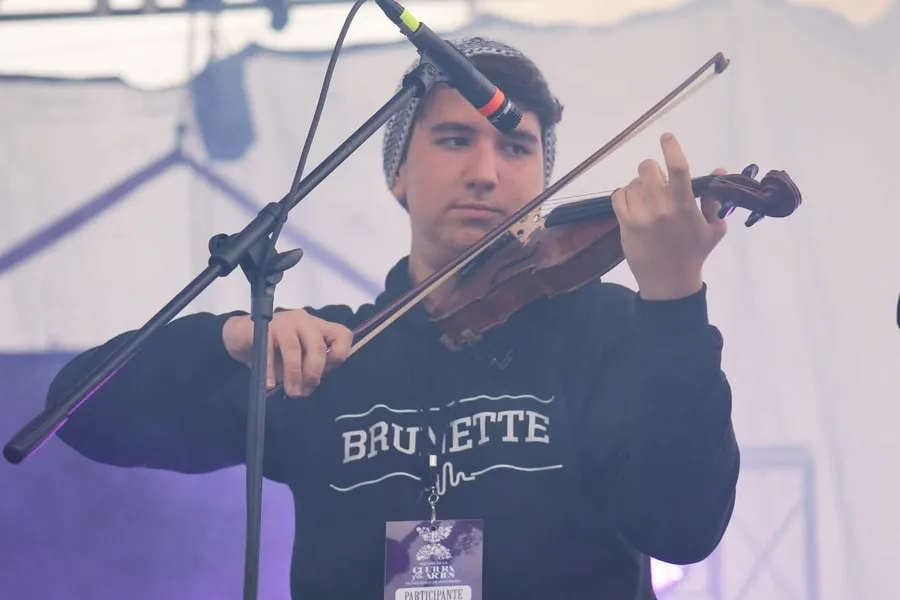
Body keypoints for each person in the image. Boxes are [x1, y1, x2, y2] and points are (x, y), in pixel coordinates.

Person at [45, 36, 741, 599]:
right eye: (453, 139)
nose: (486, 172)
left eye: (516, 147)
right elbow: (78, 413)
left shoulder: (610, 330)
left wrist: (676, 302)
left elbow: (682, 527)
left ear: (541, 176)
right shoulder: (326, 354)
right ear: (397, 173)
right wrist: (233, 339)